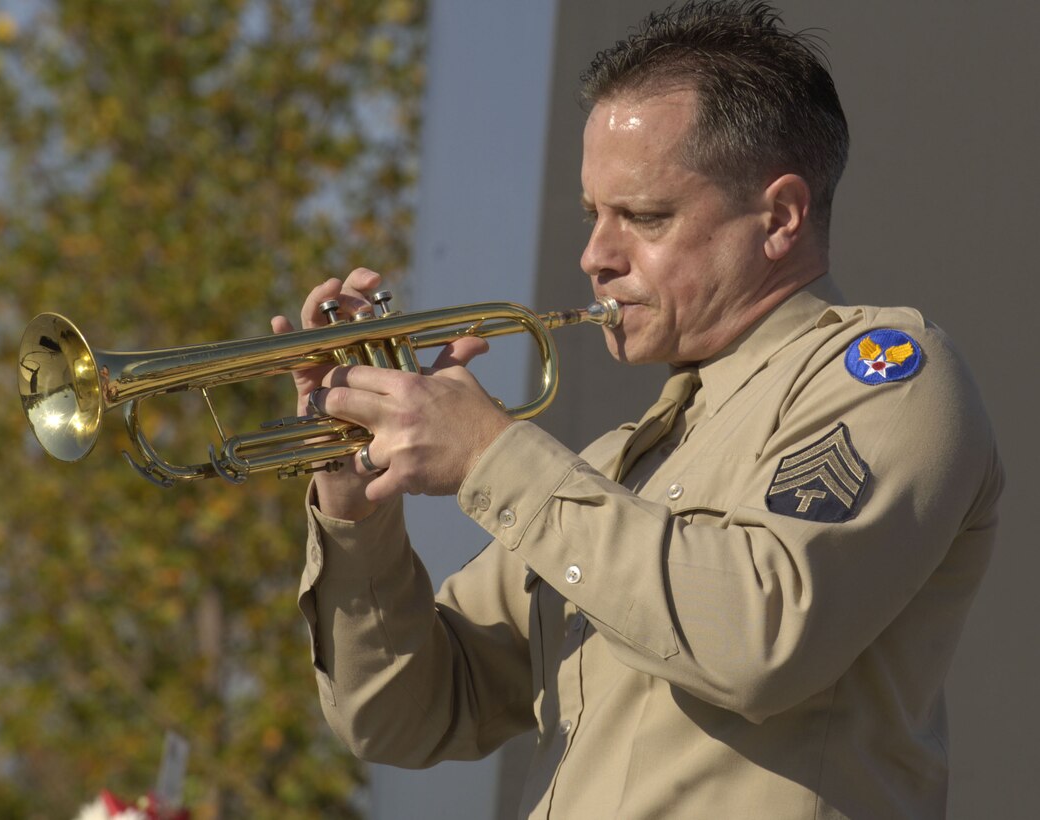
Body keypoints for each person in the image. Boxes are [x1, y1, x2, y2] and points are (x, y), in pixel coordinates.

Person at [271, 2, 1003, 817]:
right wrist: (351, 500)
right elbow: (402, 719)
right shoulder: (619, 465)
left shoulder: (886, 375)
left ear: (781, 217)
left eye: (645, 217)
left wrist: (492, 458)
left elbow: (761, 640)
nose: (596, 257)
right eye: (594, 216)